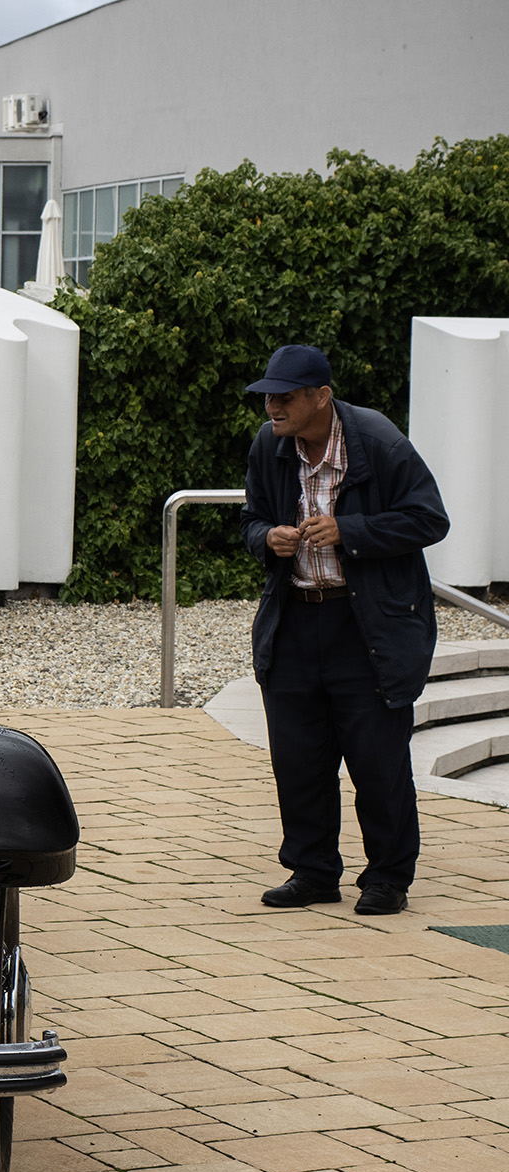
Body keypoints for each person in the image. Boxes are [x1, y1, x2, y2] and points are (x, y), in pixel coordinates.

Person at [239, 345, 449, 916]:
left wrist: (348, 531)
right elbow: (251, 519)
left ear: (321, 397)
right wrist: (268, 539)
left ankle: (387, 877)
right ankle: (312, 872)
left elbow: (430, 519)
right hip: (295, 618)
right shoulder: (269, 444)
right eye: (267, 396)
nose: (272, 407)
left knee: (377, 760)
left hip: (368, 625)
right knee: (298, 758)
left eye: (285, 397)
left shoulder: (379, 442)